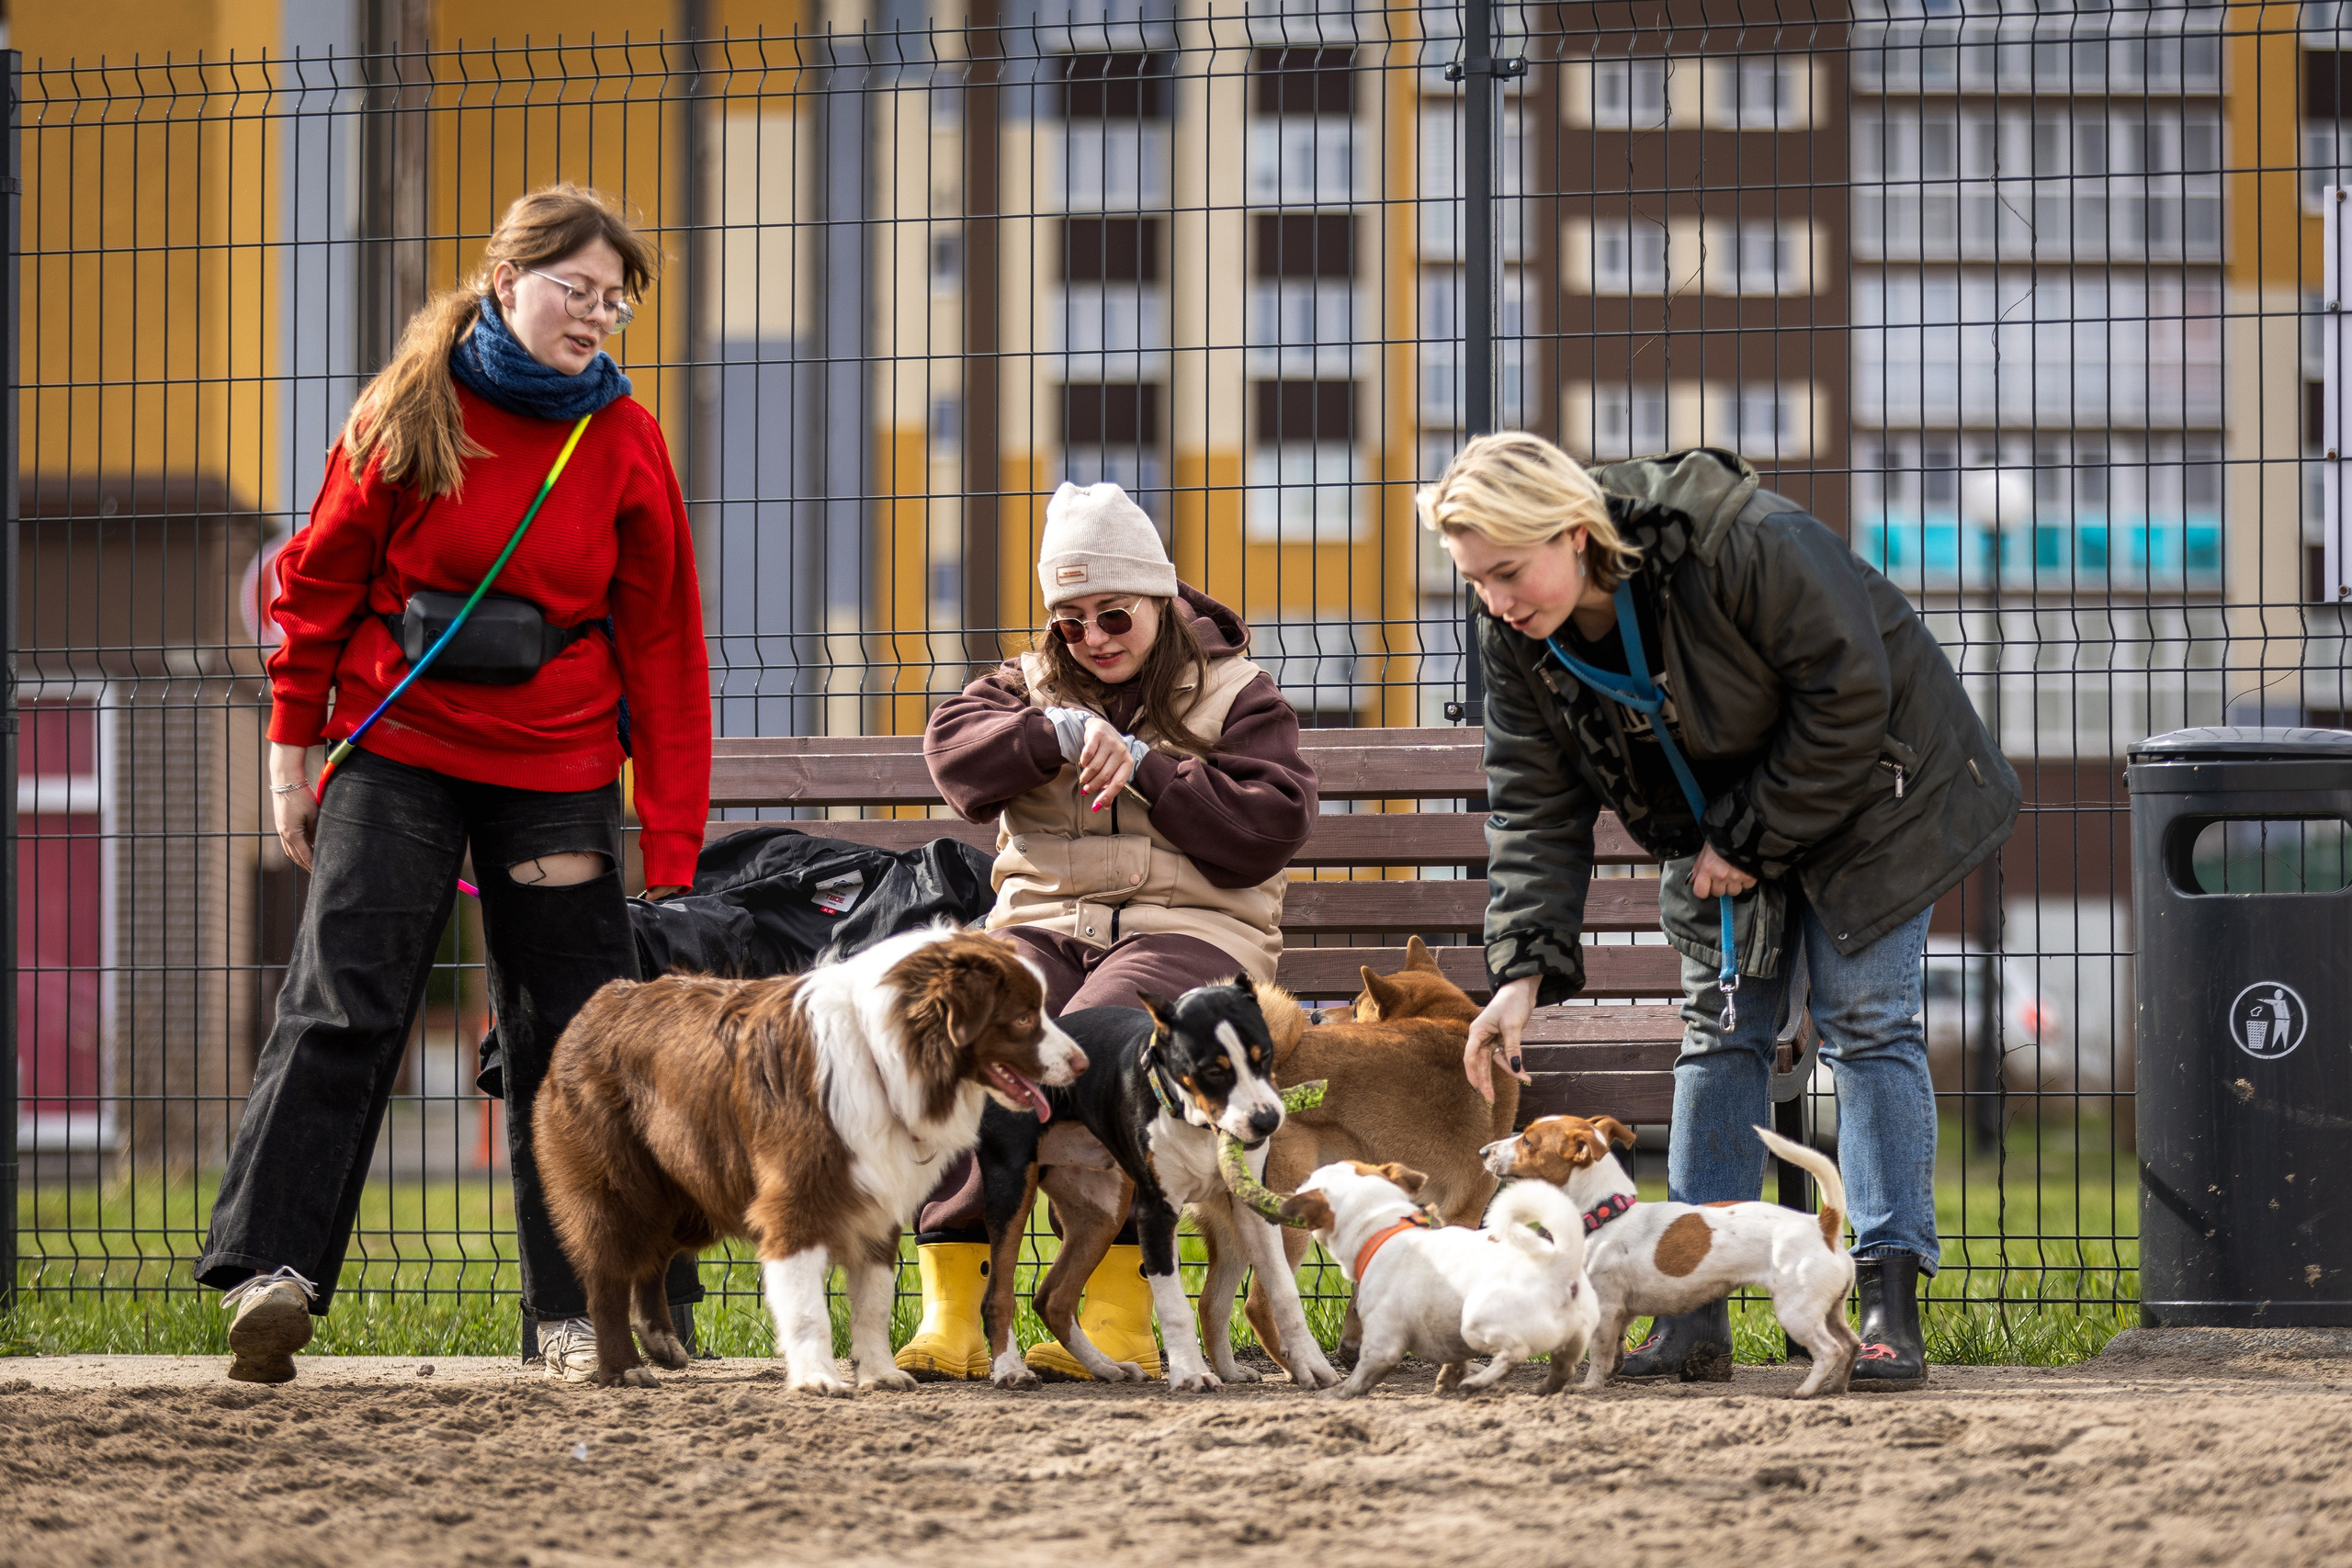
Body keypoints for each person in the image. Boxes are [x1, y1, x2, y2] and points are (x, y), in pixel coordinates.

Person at [195, 185, 712, 1384]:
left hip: (560, 759)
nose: (595, 315)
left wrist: (670, 840)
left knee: (573, 1036)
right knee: (346, 997)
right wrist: (291, 746)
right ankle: (274, 1274)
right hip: (402, 741)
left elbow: (666, 649)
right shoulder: (409, 402)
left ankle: (581, 1307)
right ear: (505, 282)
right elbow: (316, 582)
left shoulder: (626, 441)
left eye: (614, 301)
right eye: (574, 289)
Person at [1431, 434, 2018, 1390]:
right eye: (1475, 581)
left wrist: (1747, 839)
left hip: (1872, 789)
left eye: (1507, 572)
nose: (1495, 602)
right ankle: (1689, 1313)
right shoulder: (1520, 640)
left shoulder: (1740, 541)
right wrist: (1521, 972)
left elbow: (1848, 697)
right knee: (1718, 1033)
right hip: (1718, 823)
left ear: (1575, 533)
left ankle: (1884, 1303)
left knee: (1867, 1024)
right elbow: (1534, 804)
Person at [899, 480, 1319, 1381]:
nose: (1091, 638)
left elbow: (1270, 828)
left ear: (1159, 601)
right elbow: (952, 759)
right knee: (972, 1027)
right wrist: (1045, 733)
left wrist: (1149, 769)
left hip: (1193, 929)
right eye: (1070, 620)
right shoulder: (1023, 685)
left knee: (1109, 1030)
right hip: (1042, 926)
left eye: (1112, 615)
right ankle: (958, 1308)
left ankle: (1122, 1312)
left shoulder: (1238, 692)